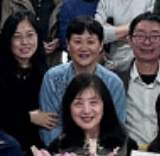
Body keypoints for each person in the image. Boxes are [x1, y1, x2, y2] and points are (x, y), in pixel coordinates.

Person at [40, 16, 127, 146]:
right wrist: (68, 153)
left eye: (91, 42)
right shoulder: (52, 78)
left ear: (101, 45)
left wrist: (94, 152)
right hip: (61, 151)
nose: (84, 48)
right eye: (77, 41)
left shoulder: (113, 83)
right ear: (67, 44)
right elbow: (50, 126)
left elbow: (116, 126)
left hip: (103, 151)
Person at [108, 12, 160, 147]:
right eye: (140, 36)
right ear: (129, 40)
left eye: (155, 36)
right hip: (127, 153)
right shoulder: (114, 77)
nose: (147, 42)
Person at [0, 13, 52, 152]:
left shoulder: (47, 74)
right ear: (8, 40)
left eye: (30, 35)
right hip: (6, 149)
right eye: (17, 36)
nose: (24, 42)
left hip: (41, 151)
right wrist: (29, 117)